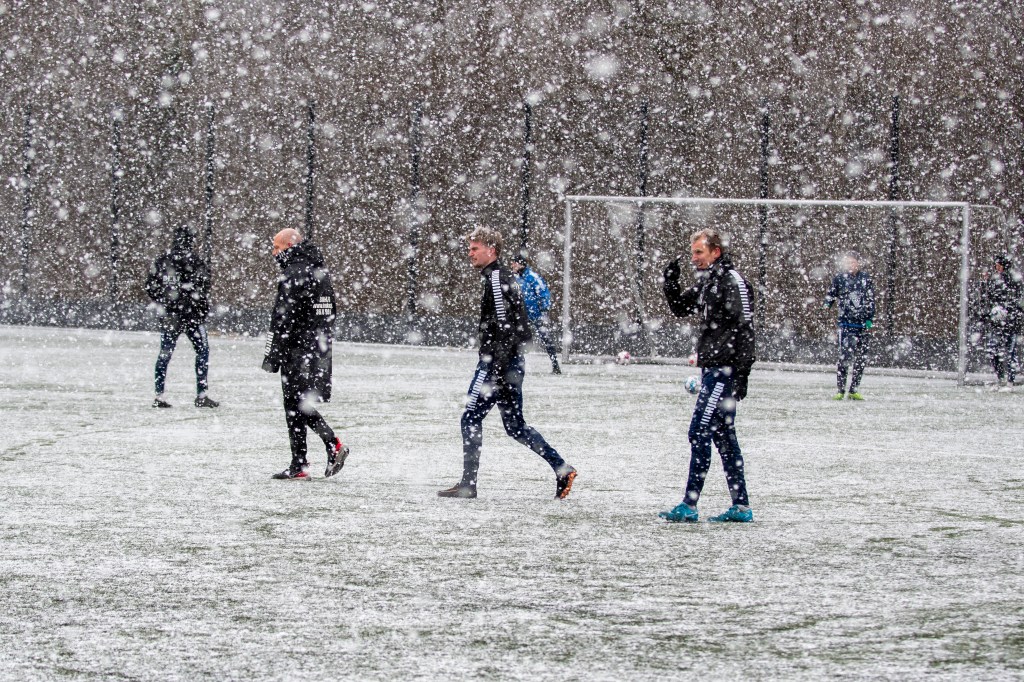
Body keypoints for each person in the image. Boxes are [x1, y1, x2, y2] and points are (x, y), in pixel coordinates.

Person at [438, 227, 577, 500]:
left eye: (475, 248)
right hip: (509, 363)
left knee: (470, 417)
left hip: (497, 365)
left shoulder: (497, 279)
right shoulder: (500, 277)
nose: (470, 252)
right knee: (515, 427)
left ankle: (468, 484)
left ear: (491, 250)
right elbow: (516, 327)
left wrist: (498, 368)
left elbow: (506, 327)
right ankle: (562, 468)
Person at [659, 228, 755, 523]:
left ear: (716, 251)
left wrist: (741, 373)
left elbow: (745, 329)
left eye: (699, 252)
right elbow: (679, 307)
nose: (694, 258)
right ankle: (741, 507)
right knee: (724, 436)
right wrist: (671, 283)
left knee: (699, 431)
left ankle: (689, 505)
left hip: (723, 370)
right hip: (713, 368)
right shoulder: (708, 281)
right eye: (693, 252)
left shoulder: (733, 281)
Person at [261, 228, 349, 480]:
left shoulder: (293, 273)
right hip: (317, 348)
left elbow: (282, 318)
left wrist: (273, 355)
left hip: (296, 348)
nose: (274, 252)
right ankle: (301, 462)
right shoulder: (319, 271)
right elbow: (329, 311)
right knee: (299, 402)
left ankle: (328, 446)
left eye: (277, 247)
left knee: (294, 403)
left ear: (289, 246)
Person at [145, 224, 219, 409]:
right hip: (192, 316)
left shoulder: (163, 260)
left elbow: (150, 286)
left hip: (170, 316)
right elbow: (204, 287)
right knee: (202, 351)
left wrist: (165, 301)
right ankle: (201, 395)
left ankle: (159, 395)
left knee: (165, 353)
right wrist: (199, 307)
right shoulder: (195, 261)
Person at [824, 252, 876, 400]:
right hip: (846, 324)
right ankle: (840, 389)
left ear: (858, 263)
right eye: (848, 263)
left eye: (852, 263)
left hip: (862, 325)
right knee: (845, 357)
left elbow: (871, 298)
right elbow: (832, 293)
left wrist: (869, 317)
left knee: (860, 358)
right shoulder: (840, 278)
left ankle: (854, 389)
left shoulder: (865, 279)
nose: (850, 266)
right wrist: (827, 303)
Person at [510, 255, 561, 374]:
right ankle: (516, 366)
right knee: (516, 340)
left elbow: (544, 294)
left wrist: (543, 311)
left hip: (535, 315)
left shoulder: (533, 277)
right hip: (521, 315)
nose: (512, 265)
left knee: (546, 339)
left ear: (520, 264)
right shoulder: (515, 278)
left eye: (514, 263)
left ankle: (555, 365)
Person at [979, 255, 1022, 390]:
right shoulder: (995, 280)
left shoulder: (1013, 281)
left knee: (1009, 352)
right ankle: (1002, 378)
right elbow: (988, 298)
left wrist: (1008, 312)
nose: (997, 267)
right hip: (1000, 323)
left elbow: (1016, 301)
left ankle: (1009, 380)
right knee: (995, 351)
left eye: (999, 265)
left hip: (1009, 324)